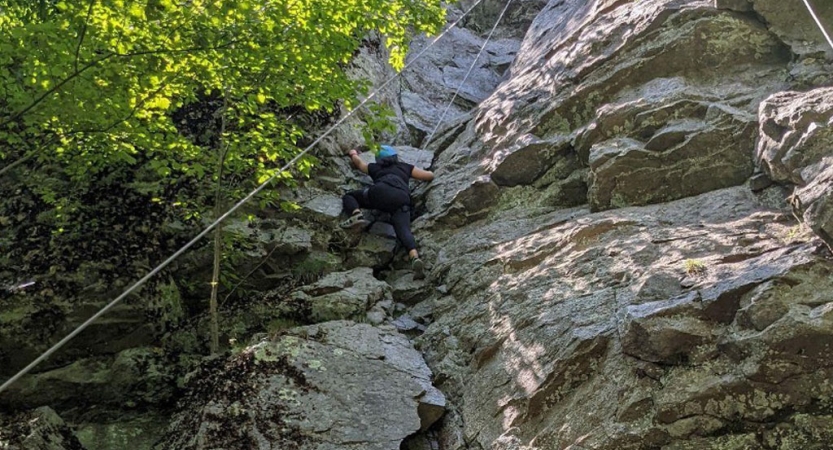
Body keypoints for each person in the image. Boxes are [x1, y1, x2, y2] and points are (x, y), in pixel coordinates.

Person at [340, 145, 434, 279]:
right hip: (400, 199)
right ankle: (414, 256)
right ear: (395, 156)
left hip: (379, 193)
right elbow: (429, 176)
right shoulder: (405, 167)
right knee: (403, 229)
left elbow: (359, 164)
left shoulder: (375, 167)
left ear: (379, 159)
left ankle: (356, 214)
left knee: (350, 196)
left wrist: (353, 153)